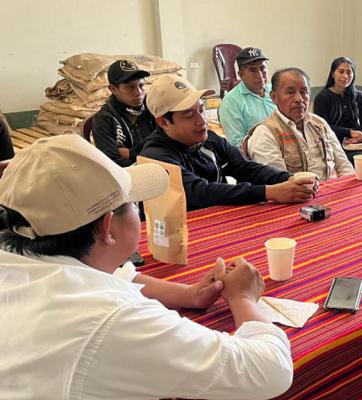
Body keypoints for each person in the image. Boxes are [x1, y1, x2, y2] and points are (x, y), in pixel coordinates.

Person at [0, 134, 293, 399]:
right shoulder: (112, 319)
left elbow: (110, 274)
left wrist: (187, 295)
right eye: (132, 205)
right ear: (108, 227)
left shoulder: (19, 250)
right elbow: (269, 370)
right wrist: (243, 298)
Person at [139, 75, 316, 211]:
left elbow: (246, 168)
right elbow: (200, 192)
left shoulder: (209, 139)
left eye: (201, 110)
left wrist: (289, 180)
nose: (202, 121)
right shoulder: (155, 157)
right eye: (188, 115)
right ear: (163, 122)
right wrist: (270, 192)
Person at [243, 67, 354, 180]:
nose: (299, 99)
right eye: (290, 92)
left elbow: (344, 165)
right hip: (294, 195)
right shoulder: (265, 133)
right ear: (274, 97)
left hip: (331, 190)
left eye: (304, 92)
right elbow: (279, 184)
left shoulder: (319, 123)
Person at [313, 57, 362, 168]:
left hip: (357, 141)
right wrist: (350, 132)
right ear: (333, 74)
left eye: (349, 72)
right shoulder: (322, 97)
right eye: (341, 71)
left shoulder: (359, 96)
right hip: (334, 141)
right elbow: (323, 127)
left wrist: (361, 136)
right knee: (353, 163)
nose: (345, 76)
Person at [91, 59, 158, 167]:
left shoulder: (153, 107)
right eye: (130, 87)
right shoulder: (103, 119)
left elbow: (167, 146)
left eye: (141, 86)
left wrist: (130, 153)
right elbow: (112, 162)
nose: (138, 93)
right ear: (113, 89)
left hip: (163, 170)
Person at [218, 47, 278, 146]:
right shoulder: (231, 102)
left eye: (262, 68)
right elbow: (236, 144)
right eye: (253, 70)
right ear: (241, 75)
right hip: (258, 155)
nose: (260, 75)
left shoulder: (275, 92)